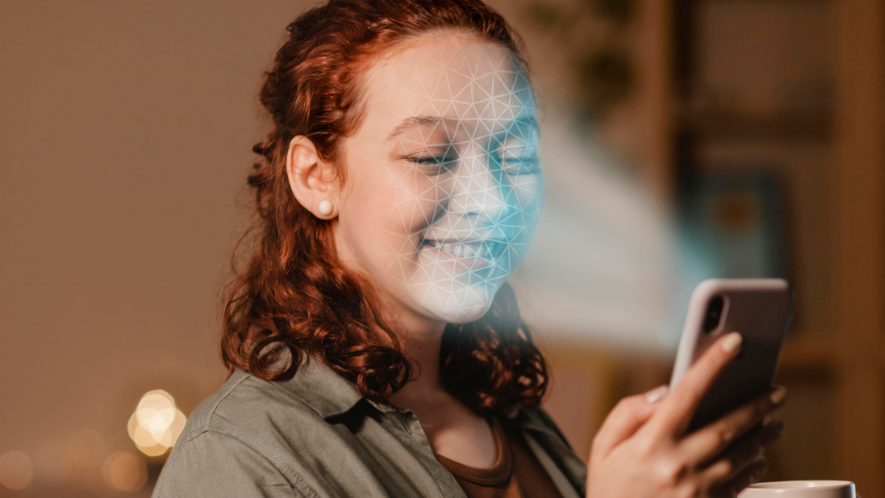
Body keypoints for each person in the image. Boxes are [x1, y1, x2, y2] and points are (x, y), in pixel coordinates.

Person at [152, 1, 785, 497]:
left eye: (515, 155)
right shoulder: (242, 454)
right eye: (432, 156)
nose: (493, 200)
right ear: (317, 177)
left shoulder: (510, 415)